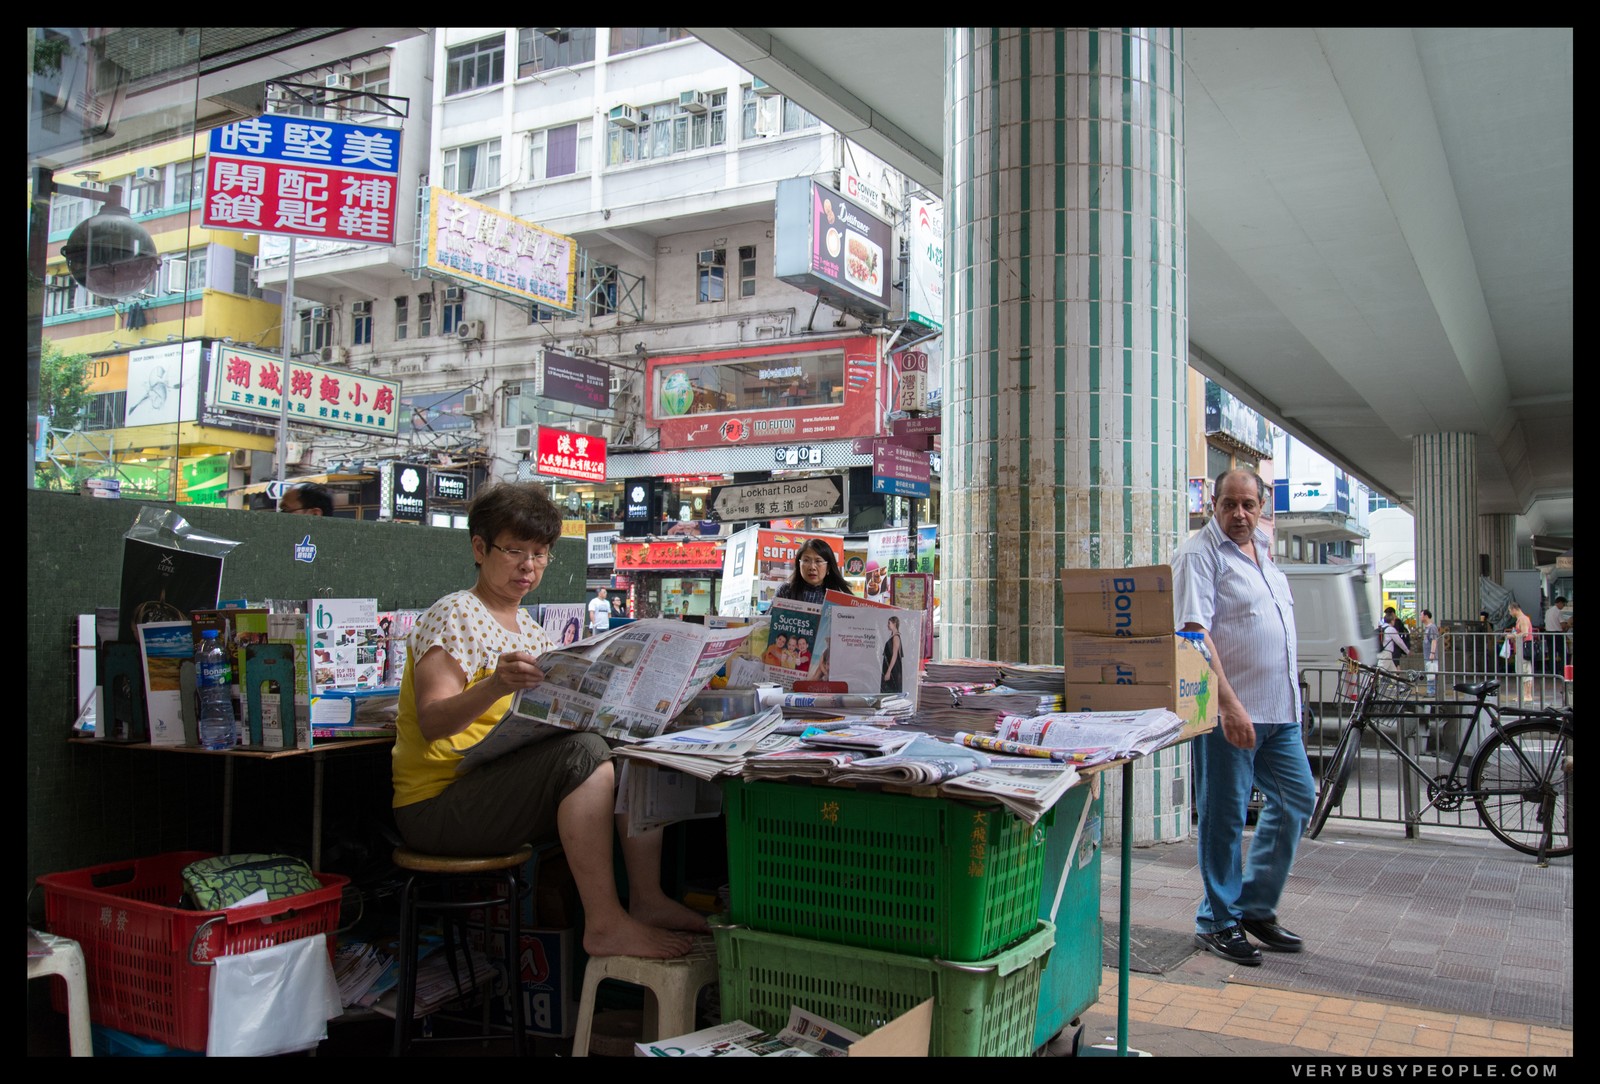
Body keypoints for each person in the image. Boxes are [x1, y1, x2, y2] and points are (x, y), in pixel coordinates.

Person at [390, 482, 703, 960]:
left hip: (494, 785)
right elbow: (433, 722)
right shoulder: (454, 613)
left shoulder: (534, 631)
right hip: (437, 806)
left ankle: (646, 898)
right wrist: (495, 684)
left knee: (629, 749)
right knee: (586, 753)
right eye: (515, 550)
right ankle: (604, 923)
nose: (528, 566)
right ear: (479, 547)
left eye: (540, 553)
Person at [1173, 468, 1314, 966]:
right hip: (1231, 711)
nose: (1239, 514)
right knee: (1225, 817)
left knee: (1298, 798)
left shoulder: (1265, 556)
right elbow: (1193, 634)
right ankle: (1216, 920)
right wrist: (1228, 705)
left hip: (1281, 712)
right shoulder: (1199, 554)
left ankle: (1252, 906)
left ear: (1261, 507)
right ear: (1214, 504)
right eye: (1229, 504)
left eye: (1248, 505)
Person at [773, 539, 853, 604]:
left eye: (818, 561)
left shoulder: (838, 598)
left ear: (828, 567)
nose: (812, 567)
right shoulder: (786, 591)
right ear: (799, 564)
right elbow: (768, 621)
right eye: (806, 560)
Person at [1505, 600, 1534, 699]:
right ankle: (1523, 694)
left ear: (1514, 609)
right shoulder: (1520, 619)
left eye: (1510, 611)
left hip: (1524, 648)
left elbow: (1525, 633)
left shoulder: (1523, 619)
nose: (1509, 613)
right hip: (1520, 649)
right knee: (1521, 672)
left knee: (1525, 671)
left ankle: (1527, 694)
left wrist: (1512, 635)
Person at [1543, 596, 1570, 676]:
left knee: (1551, 654)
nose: (1563, 607)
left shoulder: (1548, 611)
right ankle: (1563, 672)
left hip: (1548, 634)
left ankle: (1553, 672)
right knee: (1563, 654)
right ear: (1560, 603)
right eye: (1563, 604)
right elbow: (1562, 625)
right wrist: (1568, 625)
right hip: (1556, 634)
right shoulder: (1558, 612)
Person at [1419, 609, 1440, 696]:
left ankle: (1431, 691)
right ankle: (1431, 690)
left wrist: (1432, 653)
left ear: (1426, 616)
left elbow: (1434, 640)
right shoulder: (1428, 628)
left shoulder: (1432, 627)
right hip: (1427, 655)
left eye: (1421, 615)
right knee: (1429, 672)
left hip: (1431, 656)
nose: (1420, 617)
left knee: (1431, 673)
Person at [881, 615, 904, 693]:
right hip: (890, 668)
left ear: (894, 624)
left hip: (892, 669)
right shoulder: (893, 637)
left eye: (889, 623)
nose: (887, 625)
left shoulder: (896, 637)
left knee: (890, 691)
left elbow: (895, 656)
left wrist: (888, 671)